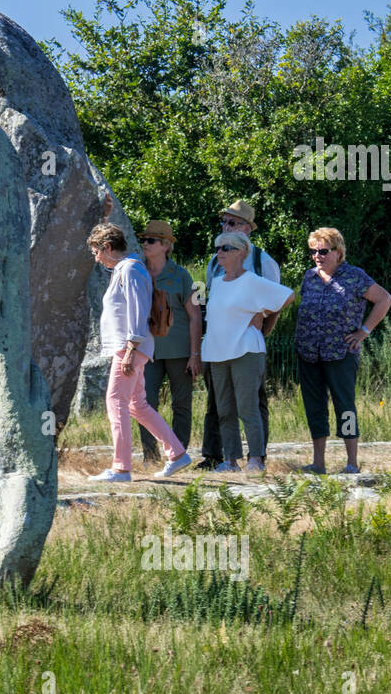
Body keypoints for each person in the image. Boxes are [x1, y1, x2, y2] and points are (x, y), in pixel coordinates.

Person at [84, 223, 193, 482]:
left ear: (108, 247)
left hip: (130, 348)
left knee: (116, 402)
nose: (96, 258)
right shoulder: (127, 268)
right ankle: (177, 454)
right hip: (131, 348)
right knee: (137, 405)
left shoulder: (130, 269)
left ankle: (121, 468)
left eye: (97, 252)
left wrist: (131, 350)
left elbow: (138, 310)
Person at [295, 228, 391, 474]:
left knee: (345, 406)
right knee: (314, 406)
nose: (318, 256)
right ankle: (318, 462)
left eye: (323, 251)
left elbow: (384, 299)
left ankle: (351, 462)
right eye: (313, 251)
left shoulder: (355, 276)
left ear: (338, 252)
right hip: (309, 352)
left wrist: (364, 331)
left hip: (340, 352)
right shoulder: (309, 277)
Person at [196, 199, 285, 470]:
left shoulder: (263, 260)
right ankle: (219, 457)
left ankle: (258, 457)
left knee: (253, 403)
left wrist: (262, 325)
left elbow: (277, 300)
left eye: (232, 222)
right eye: (224, 222)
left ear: (247, 228)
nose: (226, 226)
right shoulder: (215, 260)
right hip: (219, 344)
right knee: (219, 403)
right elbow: (208, 297)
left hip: (248, 345)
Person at [134, 220, 202, 463]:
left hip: (179, 351)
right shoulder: (137, 271)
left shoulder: (182, 275)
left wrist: (195, 354)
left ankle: (178, 454)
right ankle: (150, 456)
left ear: (165, 245)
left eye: (150, 240)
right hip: (147, 352)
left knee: (181, 404)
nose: (145, 244)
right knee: (144, 403)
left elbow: (195, 316)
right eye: (143, 240)